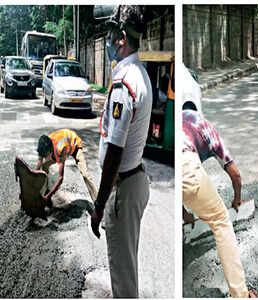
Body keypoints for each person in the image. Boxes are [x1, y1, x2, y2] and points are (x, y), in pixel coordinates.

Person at [90, 5, 152, 298]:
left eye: (110, 33)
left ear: (121, 38)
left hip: (123, 187)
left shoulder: (125, 83)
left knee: (123, 278)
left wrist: (100, 204)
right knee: (127, 266)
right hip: (134, 179)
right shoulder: (140, 74)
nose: (107, 39)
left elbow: (114, 151)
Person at [182, 109, 258, 298]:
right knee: (221, 221)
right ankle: (241, 295)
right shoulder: (205, 127)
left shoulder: (181, 123)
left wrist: (185, 214)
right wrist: (237, 198)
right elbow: (235, 174)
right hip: (186, 163)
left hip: (180, 167)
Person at [36, 129, 98, 204]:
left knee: (85, 175)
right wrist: (34, 179)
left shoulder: (61, 148)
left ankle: (97, 202)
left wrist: (49, 196)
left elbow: (60, 178)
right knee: (44, 166)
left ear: (50, 151)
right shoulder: (44, 144)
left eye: (46, 156)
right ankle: (46, 190)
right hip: (58, 146)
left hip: (75, 144)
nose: (45, 158)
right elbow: (39, 163)